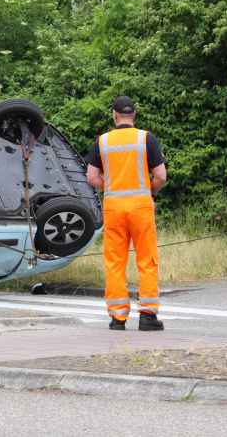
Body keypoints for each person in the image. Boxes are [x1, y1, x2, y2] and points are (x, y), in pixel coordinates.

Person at [86, 96, 167, 331]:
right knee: (147, 259)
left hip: (113, 207)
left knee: (114, 261)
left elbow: (92, 177)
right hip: (141, 206)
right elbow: (160, 176)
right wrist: (147, 193)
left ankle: (118, 317)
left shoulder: (102, 141)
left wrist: (112, 187)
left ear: (114, 115)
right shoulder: (145, 138)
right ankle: (148, 316)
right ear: (134, 115)